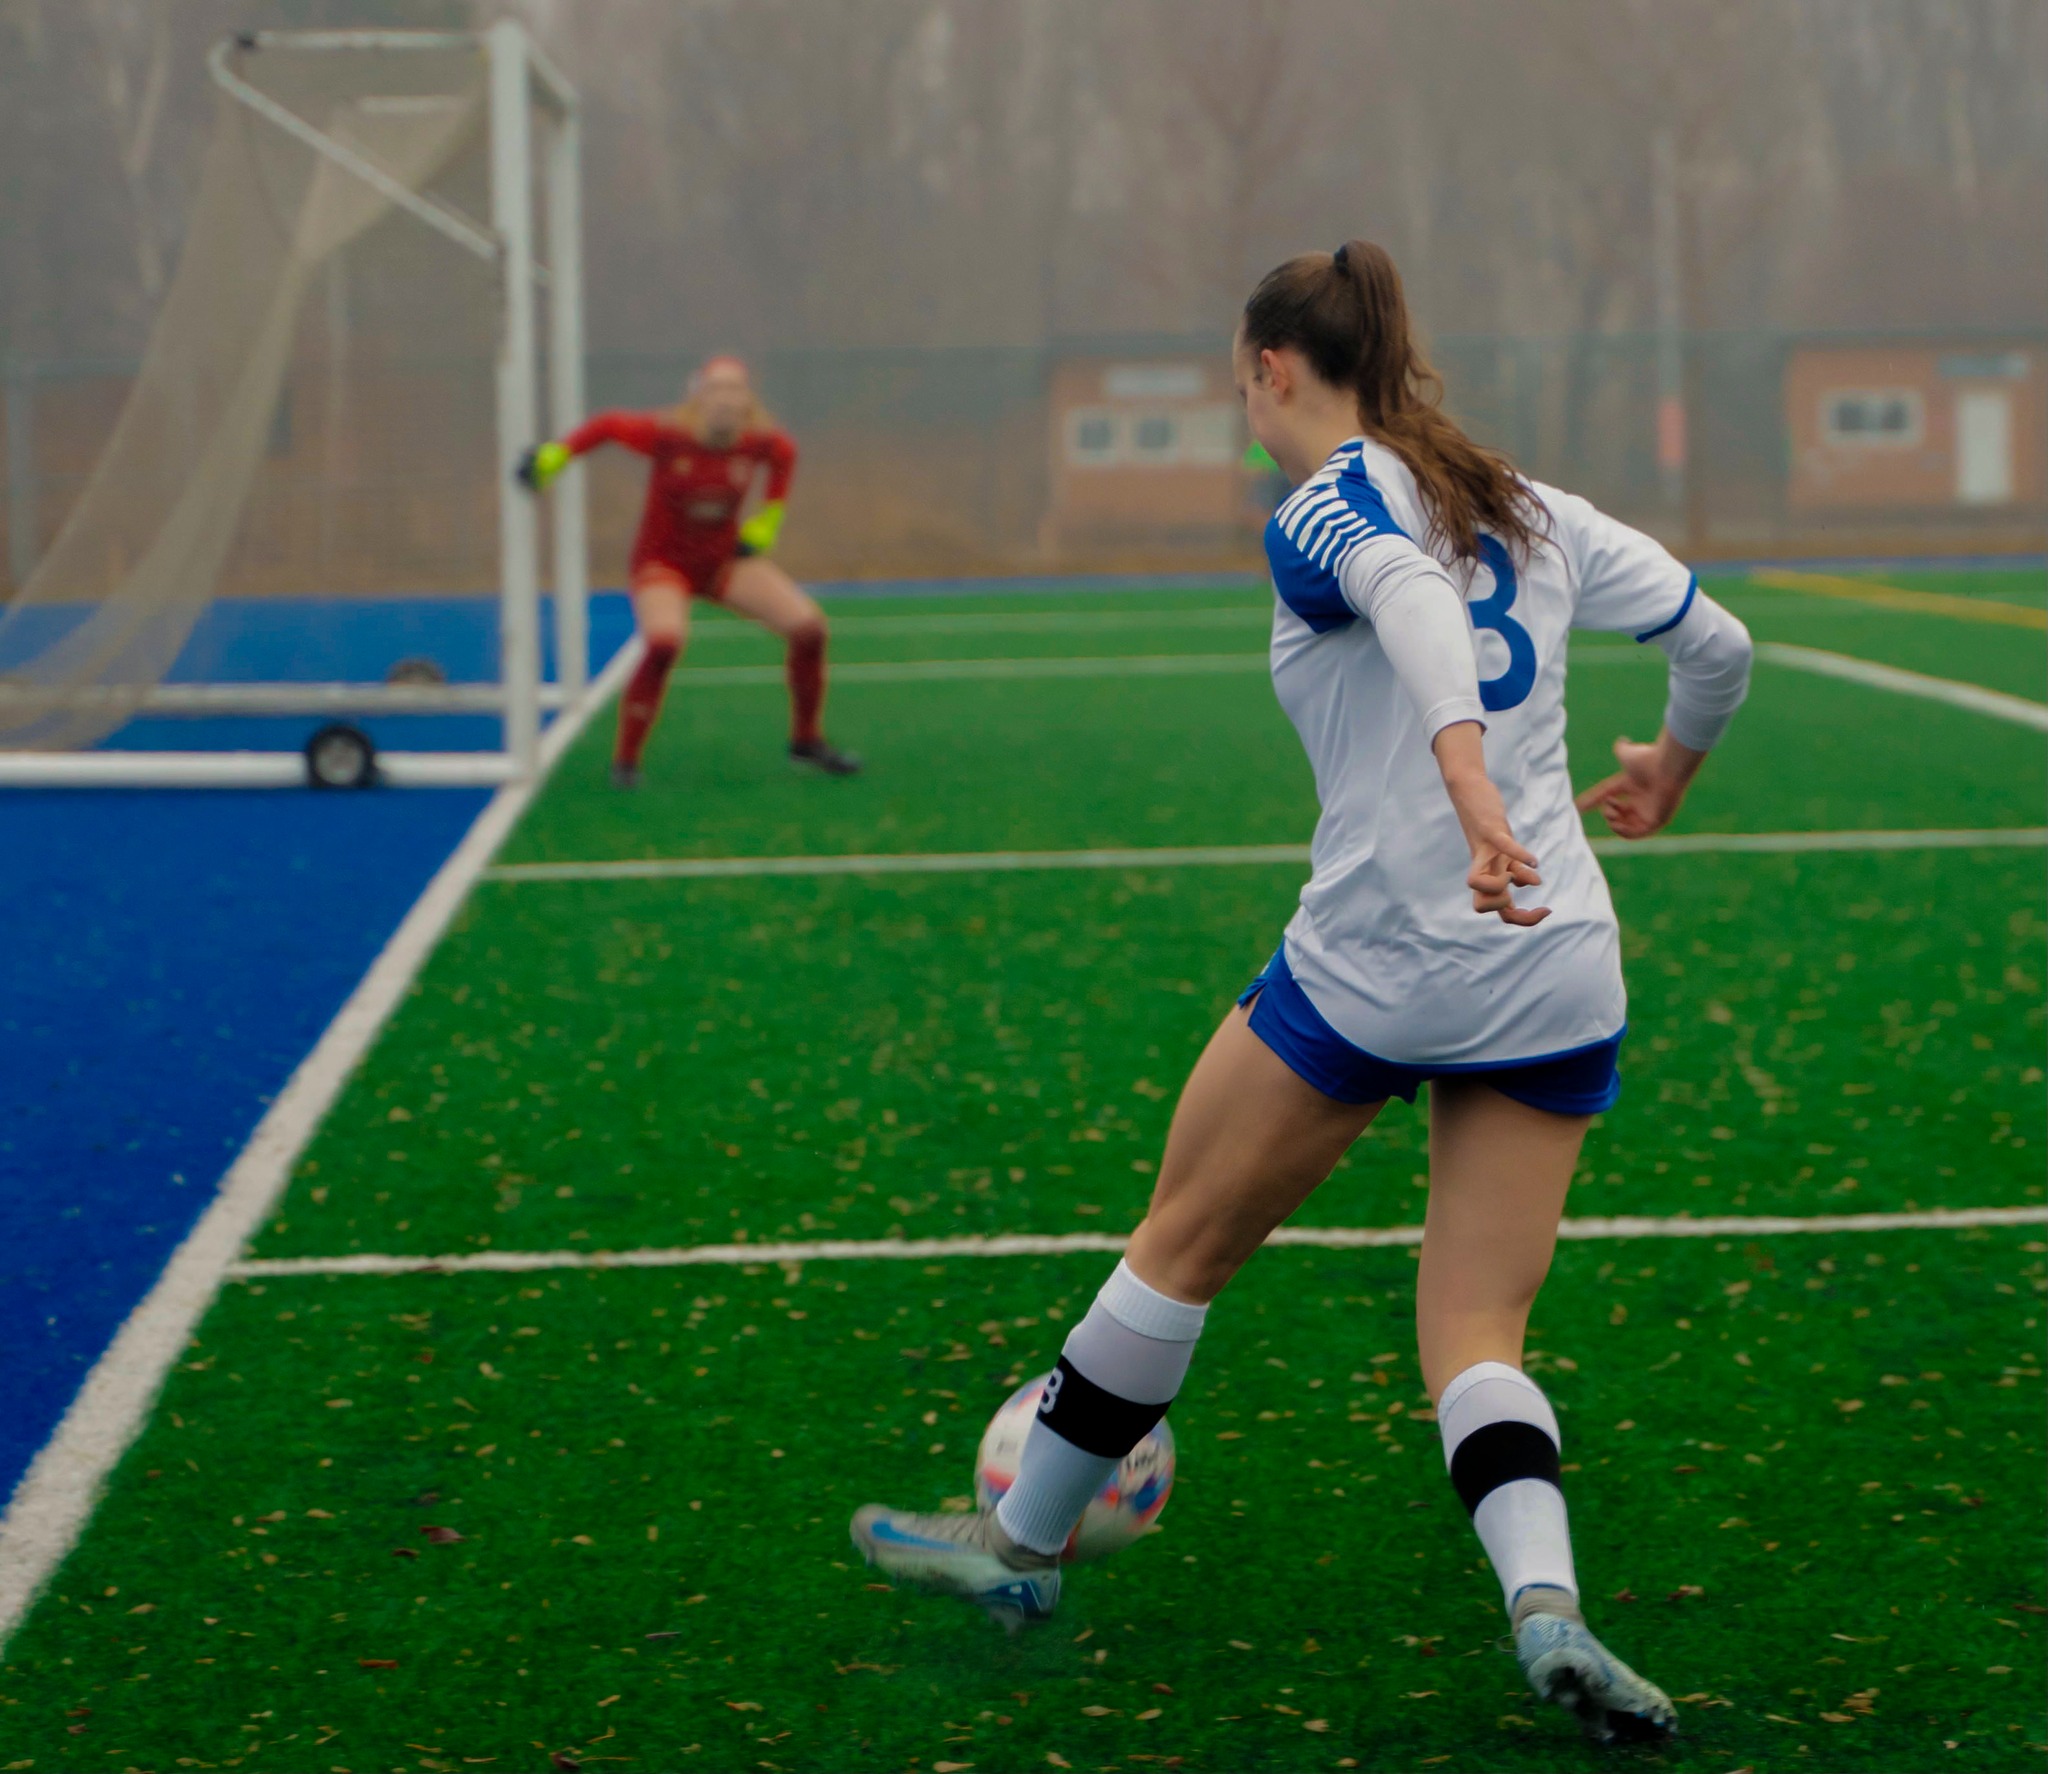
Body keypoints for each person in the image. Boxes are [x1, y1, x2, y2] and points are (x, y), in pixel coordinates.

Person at [849, 239, 1754, 1746]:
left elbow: (1400, 591)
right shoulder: (1529, 501)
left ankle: (1020, 1551)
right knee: (1477, 1327)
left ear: (1272, 365)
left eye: (1237, 373)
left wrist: (1462, 770)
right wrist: (1674, 761)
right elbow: (1719, 645)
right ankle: (1550, 1608)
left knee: (1183, 1239)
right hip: (1551, 964)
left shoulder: (1326, 500)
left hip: (1385, 960)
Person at [519, 355, 860, 786]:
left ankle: (806, 741)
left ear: (747, 399)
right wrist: (558, 454)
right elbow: (606, 426)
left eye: (734, 389)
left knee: (810, 628)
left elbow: (785, 459)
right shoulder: (667, 434)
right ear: (697, 396)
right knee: (664, 643)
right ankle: (626, 761)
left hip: (722, 564)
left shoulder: (760, 442)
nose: (724, 399)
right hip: (664, 564)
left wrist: (768, 518)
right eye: (715, 389)